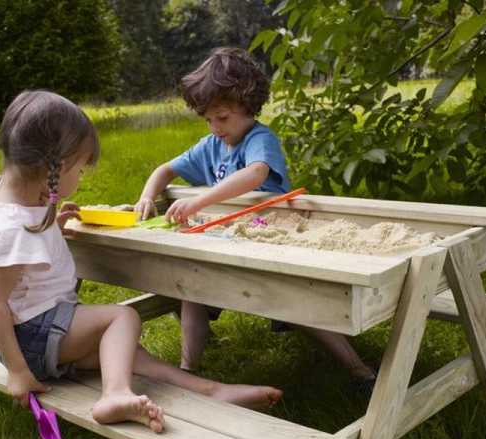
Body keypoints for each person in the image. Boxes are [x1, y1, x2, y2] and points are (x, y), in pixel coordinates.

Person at [0, 90, 283, 436]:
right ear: (56, 166)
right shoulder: (13, 229)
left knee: (126, 353)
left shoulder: (9, 190)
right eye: (80, 168)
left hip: (35, 334)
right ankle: (115, 394)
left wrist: (53, 226)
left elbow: (23, 259)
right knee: (122, 319)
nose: (81, 177)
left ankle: (211, 390)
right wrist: (18, 371)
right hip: (30, 336)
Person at [135, 48, 376, 390]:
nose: (215, 127)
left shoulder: (260, 139)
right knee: (190, 288)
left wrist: (200, 200)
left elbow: (256, 173)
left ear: (247, 105)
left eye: (222, 117)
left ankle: (359, 369)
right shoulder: (211, 144)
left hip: (271, 242)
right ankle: (188, 368)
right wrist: (147, 196)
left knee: (298, 303)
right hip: (227, 242)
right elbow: (165, 170)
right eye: (208, 119)